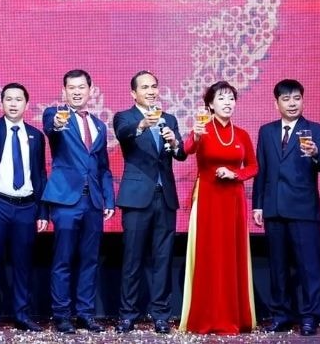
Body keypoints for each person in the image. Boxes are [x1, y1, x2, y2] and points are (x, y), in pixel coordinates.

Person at [252, 79, 320, 336]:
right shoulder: (266, 131)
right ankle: (281, 315)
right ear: (276, 103)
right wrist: (257, 205)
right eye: (286, 99)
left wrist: (316, 153)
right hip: (273, 208)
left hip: (303, 209)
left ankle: (309, 317)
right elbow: (261, 170)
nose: (292, 103)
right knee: (278, 267)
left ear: (303, 100)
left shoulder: (316, 130)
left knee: (308, 267)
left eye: (296, 98)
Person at [178, 81, 258, 334]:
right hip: (208, 199)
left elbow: (253, 167)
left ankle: (234, 316)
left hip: (233, 200)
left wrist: (235, 174)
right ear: (210, 105)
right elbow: (186, 150)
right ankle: (206, 317)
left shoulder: (242, 134)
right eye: (221, 98)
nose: (227, 103)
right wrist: (195, 135)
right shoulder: (202, 129)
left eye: (231, 98)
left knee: (232, 256)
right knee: (209, 255)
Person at [41, 69, 115, 334]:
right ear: (64, 91)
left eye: (81, 87)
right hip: (65, 200)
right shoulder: (55, 114)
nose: (76, 92)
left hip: (93, 201)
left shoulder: (99, 125)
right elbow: (51, 127)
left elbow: (103, 167)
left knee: (89, 260)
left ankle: (85, 313)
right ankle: (62, 315)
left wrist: (109, 199)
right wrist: (57, 122)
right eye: (71, 88)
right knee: (63, 259)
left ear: (90, 90)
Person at [0, 83, 47, 335]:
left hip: (26, 207)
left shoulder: (36, 136)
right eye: (8, 99)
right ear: (1, 103)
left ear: (26, 104)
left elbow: (40, 175)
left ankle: (22, 315)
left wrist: (42, 211)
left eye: (18, 99)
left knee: (23, 264)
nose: (13, 104)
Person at [114, 70, 186, 334]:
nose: (151, 91)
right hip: (136, 198)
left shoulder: (169, 119)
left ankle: (160, 315)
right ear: (134, 93)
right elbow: (123, 134)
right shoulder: (125, 117)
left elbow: (180, 154)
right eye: (144, 87)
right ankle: (127, 314)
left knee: (163, 259)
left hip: (165, 197)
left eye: (154, 86)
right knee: (132, 259)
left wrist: (175, 142)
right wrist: (144, 124)